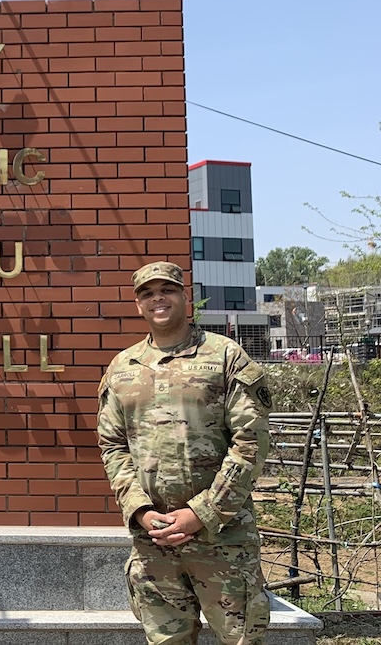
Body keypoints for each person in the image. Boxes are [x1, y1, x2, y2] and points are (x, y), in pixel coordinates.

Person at [97, 261, 273, 645]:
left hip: (222, 540)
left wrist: (202, 513)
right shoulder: (122, 368)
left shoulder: (225, 355)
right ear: (138, 304)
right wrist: (140, 511)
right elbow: (112, 445)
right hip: (154, 544)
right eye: (147, 293)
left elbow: (252, 441)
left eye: (167, 290)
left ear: (184, 296)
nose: (157, 298)